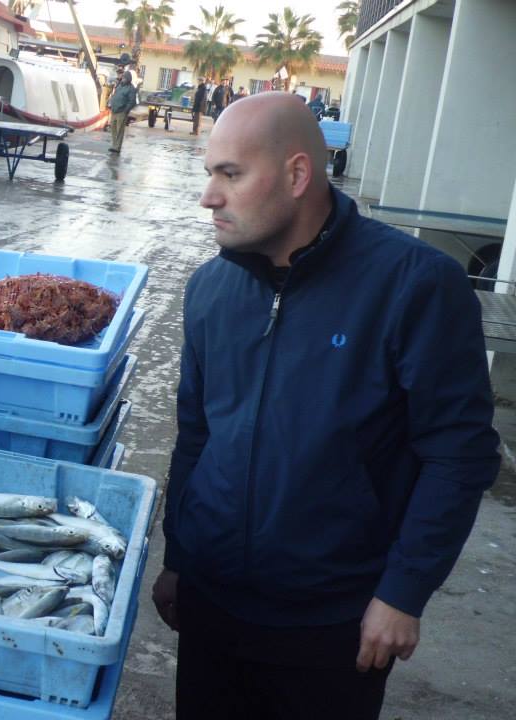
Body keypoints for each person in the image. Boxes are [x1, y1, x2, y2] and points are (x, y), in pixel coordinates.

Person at [152, 92, 499, 720]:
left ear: (296, 175)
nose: (209, 196)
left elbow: (460, 454)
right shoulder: (209, 290)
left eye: (230, 174)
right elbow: (196, 436)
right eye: (210, 174)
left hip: (334, 623)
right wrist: (179, 558)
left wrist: (404, 592)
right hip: (212, 607)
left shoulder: (414, 285)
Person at [107, 70, 137, 154]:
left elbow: (132, 102)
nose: (123, 78)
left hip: (122, 112)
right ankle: (114, 145)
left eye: (124, 77)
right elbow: (114, 95)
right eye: (123, 77)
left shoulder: (131, 89)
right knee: (113, 129)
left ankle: (117, 147)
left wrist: (126, 110)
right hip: (114, 111)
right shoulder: (119, 85)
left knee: (119, 130)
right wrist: (110, 103)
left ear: (128, 79)